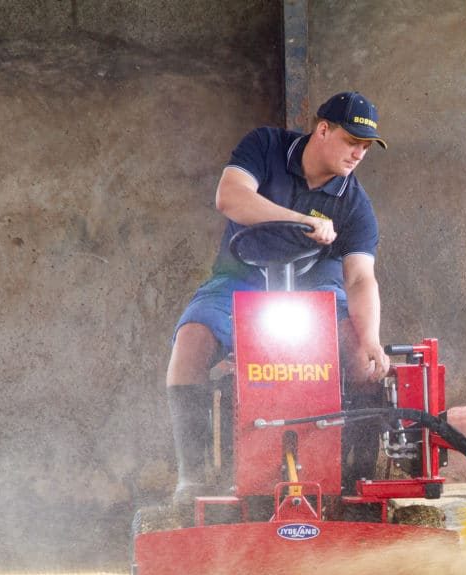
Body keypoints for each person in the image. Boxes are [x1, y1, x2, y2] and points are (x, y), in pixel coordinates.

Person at [165, 91, 392, 508]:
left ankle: (354, 481)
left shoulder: (355, 204)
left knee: (362, 358)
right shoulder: (265, 147)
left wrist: (372, 338)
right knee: (191, 340)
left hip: (315, 289)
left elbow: (360, 278)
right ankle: (192, 478)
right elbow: (230, 197)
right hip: (241, 279)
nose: (358, 154)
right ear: (323, 129)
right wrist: (302, 220)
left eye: (365, 147)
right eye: (351, 141)